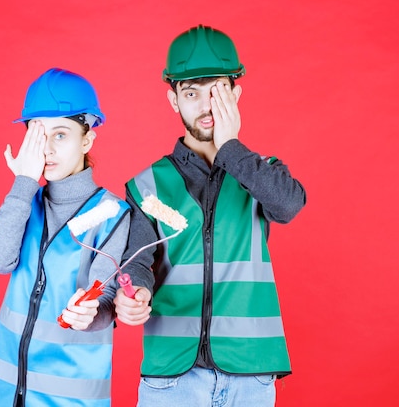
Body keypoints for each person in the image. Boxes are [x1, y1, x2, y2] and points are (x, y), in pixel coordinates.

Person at [115, 25, 307, 406]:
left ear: (235, 93)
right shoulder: (147, 184)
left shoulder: (261, 172)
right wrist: (135, 292)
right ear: (173, 100)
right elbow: (136, 261)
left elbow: (288, 206)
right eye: (191, 93)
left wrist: (230, 148)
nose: (205, 106)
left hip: (250, 375)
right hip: (171, 378)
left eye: (217, 91)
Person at [0, 68, 154, 407]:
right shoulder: (25, 202)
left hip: (68, 397)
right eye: (38, 134)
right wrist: (23, 183)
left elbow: (106, 300)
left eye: (61, 135)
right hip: (3, 391)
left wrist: (90, 314)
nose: (48, 149)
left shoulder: (112, 214)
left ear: (87, 139)